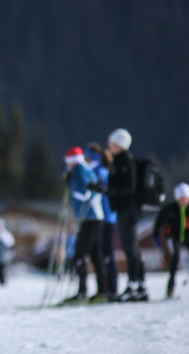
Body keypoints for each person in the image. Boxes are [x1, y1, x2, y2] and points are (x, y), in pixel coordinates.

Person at [62, 147, 108, 303]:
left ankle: (82, 291)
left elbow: (84, 193)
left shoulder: (79, 169)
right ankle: (103, 291)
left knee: (79, 255)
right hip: (93, 218)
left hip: (90, 218)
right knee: (95, 256)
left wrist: (70, 180)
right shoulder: (84, 168)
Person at [107, 129, 148, 301]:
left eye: (112, 143)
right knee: (132, 248)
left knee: (130, 248)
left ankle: (134, 285)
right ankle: (140, 285)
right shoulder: (119, 161)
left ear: (119, 144)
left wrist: (110, 191)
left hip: (128, 209)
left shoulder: (125, 162)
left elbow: (128, 188)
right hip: (124, 209)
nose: (109, 145)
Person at [86, 143, 118, 298]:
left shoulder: (100, 172)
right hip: (102, 218)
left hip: (107, 218)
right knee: (101, 254)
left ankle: (112, 289)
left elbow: (107, 192)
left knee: (107, 254)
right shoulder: (96, 170)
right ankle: (105, 288)